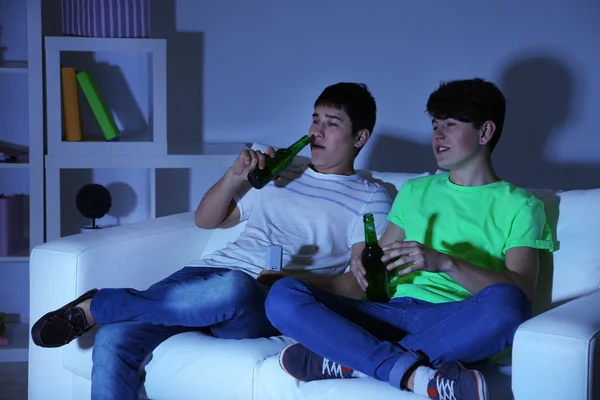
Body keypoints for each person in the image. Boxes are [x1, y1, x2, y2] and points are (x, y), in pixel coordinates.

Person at [30, 82, 393, 399]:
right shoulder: (281, 170)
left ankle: (99, 304)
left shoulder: (370, 196)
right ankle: (106, 311)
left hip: (262, 298)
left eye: (332, 124)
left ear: (359, 137)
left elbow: (357, 281)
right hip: (200, 278)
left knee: (234, 286)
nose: (317, 131)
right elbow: (207, 220)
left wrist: (298, 285)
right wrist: (235, 177)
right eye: (315, 119)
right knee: (112, 339)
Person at [265, 78, 555, 400]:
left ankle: (354, 361)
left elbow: (521, 292)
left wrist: (444, 262)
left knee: (507, 304)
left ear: (485, 132)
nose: (438, 136)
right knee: (283, 295)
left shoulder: (521, 205)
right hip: (387, 313)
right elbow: (375, 273)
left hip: (452, 319)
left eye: (450, 124)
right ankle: (411, 373)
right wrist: (352, 272)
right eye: (435, 125)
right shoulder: (416, 191)